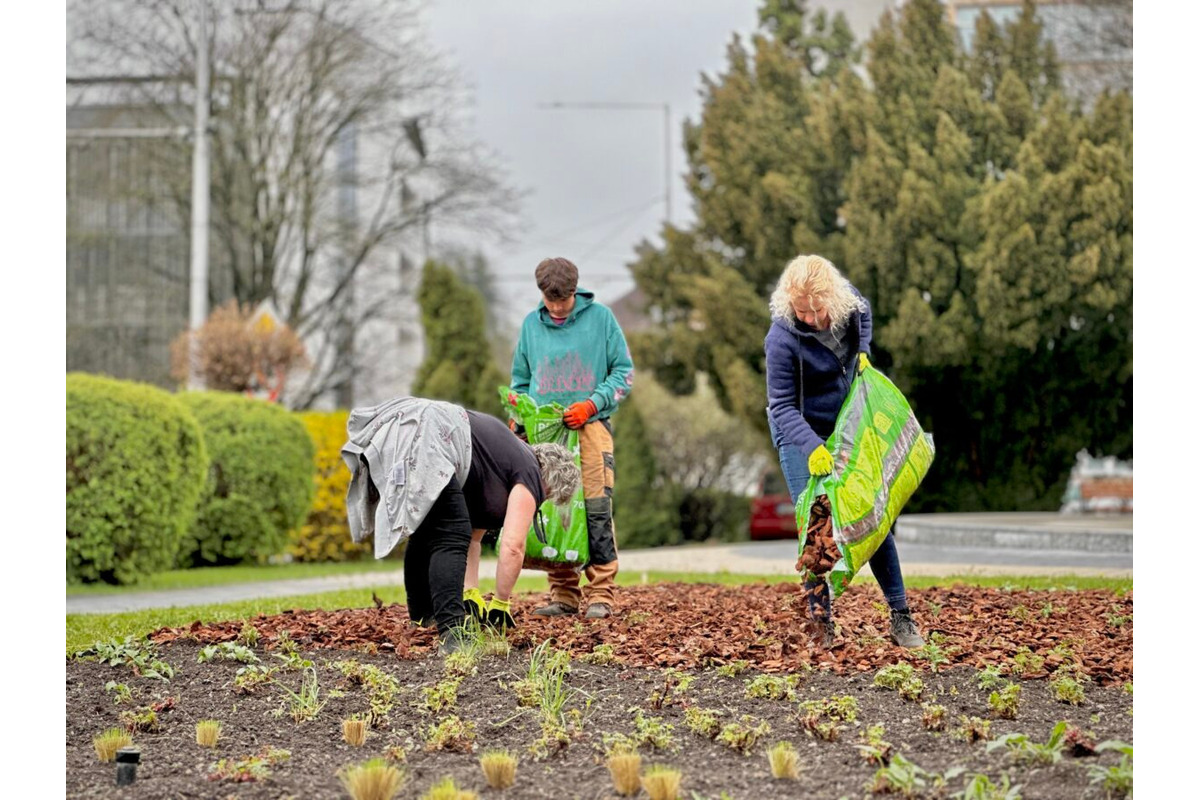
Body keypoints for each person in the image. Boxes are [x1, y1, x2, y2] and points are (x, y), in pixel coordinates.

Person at [764, 254, 924, 649]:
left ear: (831, 299)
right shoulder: (781, 339)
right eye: (803, 311)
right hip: (800, 431)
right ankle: (821, 625)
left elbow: (864, 312)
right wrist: (813, 447)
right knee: (818, 524)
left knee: (873, 512)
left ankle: (901, 615)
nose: (813, 319)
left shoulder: (848, 303)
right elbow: (781, 406)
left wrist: (863, 349)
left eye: (818, 310)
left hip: (845, 422)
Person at [342, 396, 580, 652]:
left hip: (405, 426)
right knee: (451, 534)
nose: (540, 502)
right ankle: (453, 632)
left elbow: (474, 539)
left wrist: (471, 593)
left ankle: (423, 619)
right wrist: (500, 603)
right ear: (551, 482)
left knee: (426, 533)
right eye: (548, 497)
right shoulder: (531, 471)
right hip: (429, 433)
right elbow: (513, 546)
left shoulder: (501, 461)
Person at [508, 257, 635, 619]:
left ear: (575, 292)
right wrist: (519, 414)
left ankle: (601, 593)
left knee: (595, 509)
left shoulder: (602, 319)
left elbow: (623, 373)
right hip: (546, 433)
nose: (558, 307)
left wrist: (592, 404)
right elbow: (520, 380)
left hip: (590, 428)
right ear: (542, 296)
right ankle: (564, 593)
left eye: (563, 300)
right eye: (551, 301)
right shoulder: (531, 326)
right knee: (554, 510)